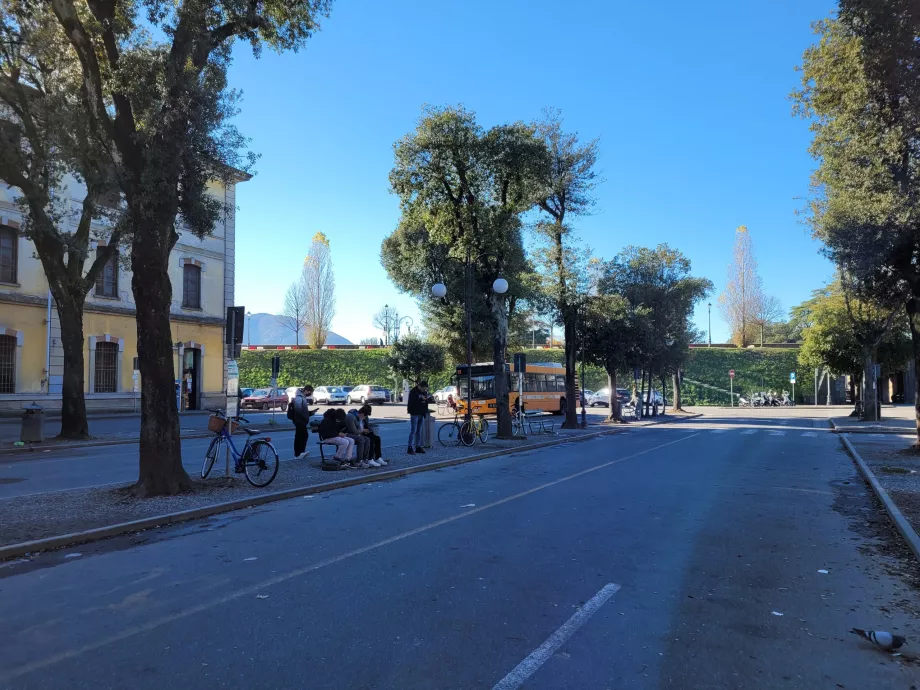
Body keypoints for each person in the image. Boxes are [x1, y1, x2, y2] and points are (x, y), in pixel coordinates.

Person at [292, 385, 316, 459]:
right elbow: (298, 410)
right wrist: (304, 417)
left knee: (301, 436)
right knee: (301, 436)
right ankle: (299, 453)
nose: (310, 394)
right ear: (307, 390)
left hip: (301, 420)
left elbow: (303, 410)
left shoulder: (301, 397)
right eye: (310, 392)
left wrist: (311, 413)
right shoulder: (299, 397)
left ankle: (300, 453)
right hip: (299, 420)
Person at [407, 379, 430, 455]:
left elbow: (426, 402)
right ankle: (410, 447)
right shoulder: (413, 392)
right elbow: (411, 402)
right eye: (423, 388)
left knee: (419, 431)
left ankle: (417, 447)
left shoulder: (424, 392)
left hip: (421, 413)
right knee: (413, 430)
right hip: (414, 413)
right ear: (420, 386)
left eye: (425, 389)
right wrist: (420, 399)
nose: (424, 390)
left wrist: (425, 411)